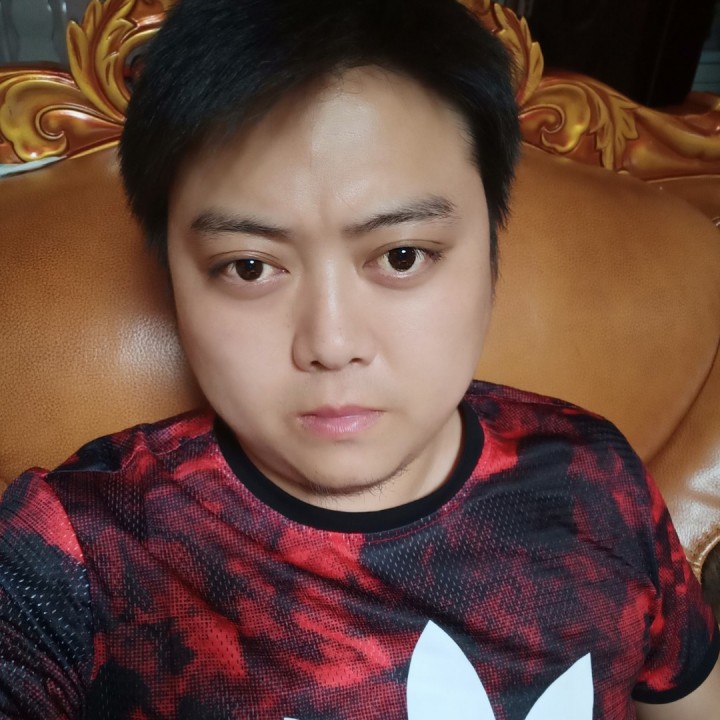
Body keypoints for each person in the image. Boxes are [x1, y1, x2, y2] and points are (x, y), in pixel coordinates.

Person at [0, 0, 717, 717]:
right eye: (249, 267)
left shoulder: (594, 478)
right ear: (174, 280)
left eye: (402, 256)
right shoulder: (78, 548)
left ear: (491, 257)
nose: (332, 344)